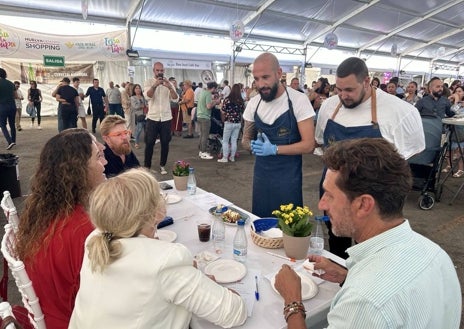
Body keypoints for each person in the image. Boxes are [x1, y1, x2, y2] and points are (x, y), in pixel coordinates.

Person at [275, 138, 462, 329]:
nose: (321, 204)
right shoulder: (435, 253)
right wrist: (348, 275)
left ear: (364, 205)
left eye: (329, 195)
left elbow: (374, 300)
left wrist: (292, 302)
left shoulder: (365, 302)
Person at [69, 168, 247, 328]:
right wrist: (205, 283)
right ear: (153, 212)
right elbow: (234, 313)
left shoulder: (97, 238)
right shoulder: (164, 260)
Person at [315, 56, 425, 258]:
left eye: (349, 90)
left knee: (373, 254)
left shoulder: (400, 111)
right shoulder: (329, 107)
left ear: (366, 81)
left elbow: (413, 150)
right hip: (335, 195)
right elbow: (321, 142)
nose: (343, 96)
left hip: (374, 204)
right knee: (337, 246)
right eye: (338, 90)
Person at [16, 129, 107, 329]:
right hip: (73, 320)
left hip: (49, 311)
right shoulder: (83, 229)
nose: (105, 163)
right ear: (78, 169)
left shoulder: (46, 213)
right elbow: (105, 296)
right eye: (99, 156)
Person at [241, 52, 315, 218]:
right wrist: (252, 146)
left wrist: (275, 149)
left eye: (265, 77)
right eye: (257, 79)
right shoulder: (254, 103)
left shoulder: (298, 100)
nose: (261, 84)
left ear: (279, 73)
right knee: (262, 225)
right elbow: (245, 139)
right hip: (261, 177)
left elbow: (309, 145)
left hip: (288, 178)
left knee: (288, 227)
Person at [143, 62, 179, 175]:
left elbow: (175, 99)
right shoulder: (148, 81)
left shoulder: (168, 83)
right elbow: (147, 96)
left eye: (161, 70)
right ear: (153, 70)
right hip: (152, 117)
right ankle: (147, 166)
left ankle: (162, 165)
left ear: (164, 71)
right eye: (157, 70)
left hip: (166, 118)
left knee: (165, 143)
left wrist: (170, 88)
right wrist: (155, 85)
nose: (160, 72)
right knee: (149, 143)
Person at [219, 83, 244, 163]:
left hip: (229, 122)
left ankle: (225, 157)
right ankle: (232, 157)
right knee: (234, 140)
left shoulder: (227, 99)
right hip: (238, 123)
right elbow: (243, 111)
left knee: (225, 140)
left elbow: (223, 110)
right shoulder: (241, 100)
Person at [196, 81, 221, 160]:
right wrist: (215, 102)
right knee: (205, 135)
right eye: (215, 89)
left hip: (200, 116)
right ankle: (203, 152)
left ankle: (201, 151)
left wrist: (212, 100)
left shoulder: (203, 92)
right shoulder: (208, 94)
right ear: (213, 88)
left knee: (202, 134)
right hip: (205, 117)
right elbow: (208, 106)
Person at [0, 68, 16, 150]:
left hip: (2, 106)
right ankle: (14, 140)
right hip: (12, 106)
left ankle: (10, 141)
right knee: (12, 124)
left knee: (3, 124)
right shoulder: (11, 83)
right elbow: (15, 95)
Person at [130, 83, 147, 149]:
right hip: (139, 115)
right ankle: (136, 143)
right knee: (139, 130)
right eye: (136, 88)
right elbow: (135, 106)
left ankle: (147, 141)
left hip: (146, 115)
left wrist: (145, 106)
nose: (138, 89)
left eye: (139, 88)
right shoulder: (132, 98)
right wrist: (142, 106)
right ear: (134, 90)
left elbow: (146, 104)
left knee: (147, 129)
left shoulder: (143, 97)